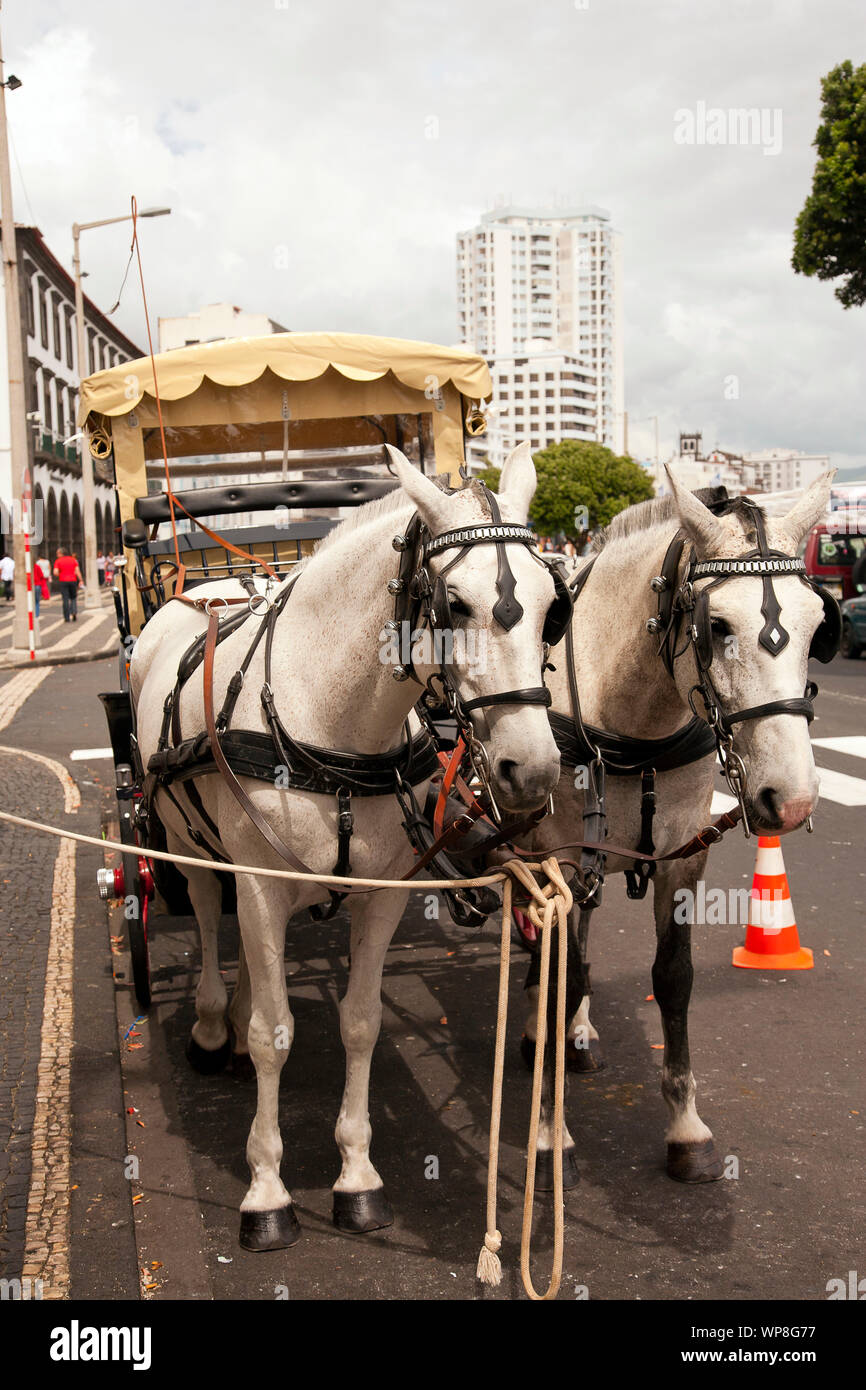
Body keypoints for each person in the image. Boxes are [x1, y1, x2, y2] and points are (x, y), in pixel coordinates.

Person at [53, 546, 83, 622]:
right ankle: (74, 612)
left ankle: (66, 617)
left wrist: (61, 574)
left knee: (65, 599)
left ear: (61, 553)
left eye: (57, 553)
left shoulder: (58, 561)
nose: (57, 555)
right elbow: (77, 571)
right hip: (73, 580)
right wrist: (81, 580)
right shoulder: (73, 560)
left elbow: (55, 572)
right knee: (73, 598)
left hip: (63, 581)